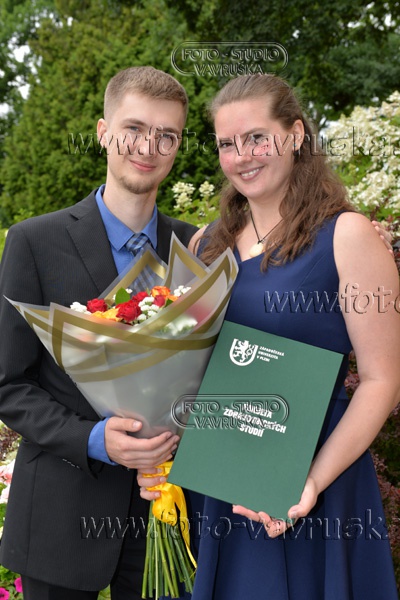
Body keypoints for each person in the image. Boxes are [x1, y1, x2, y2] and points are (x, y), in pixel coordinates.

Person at [139, 73, 400, 599]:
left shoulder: (347, 235)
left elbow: (382, 380)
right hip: (217, 480)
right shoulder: (205, 245)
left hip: (314, 479)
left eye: (257, 137)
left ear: (296, 135)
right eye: (227, 144)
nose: (242, 157)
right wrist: (159, 454)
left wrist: (310, 480)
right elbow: (183, 370)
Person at [0, 66, 198, 599]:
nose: (149, 146)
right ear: (103, 132)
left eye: (167, 135)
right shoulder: (33, 242)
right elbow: (8, 384)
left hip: (165, 515)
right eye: (134, 128)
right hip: (60, 518)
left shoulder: (197, 248)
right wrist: (93, 440)